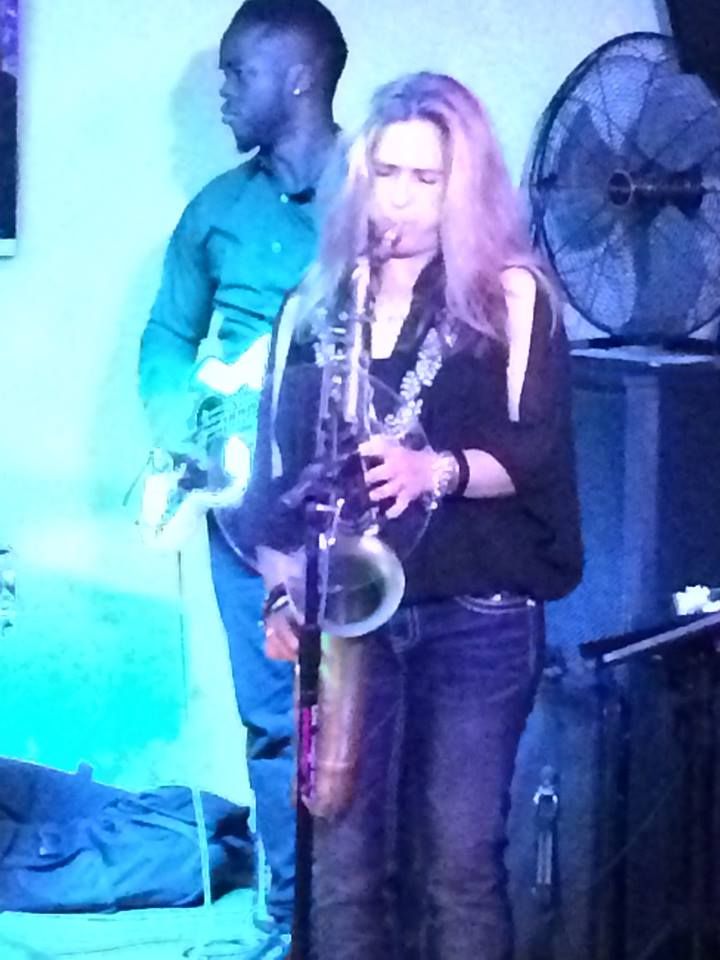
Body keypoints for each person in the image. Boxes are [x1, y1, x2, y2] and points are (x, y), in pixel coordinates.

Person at [251, 72, 584, 960]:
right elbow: (276, 487)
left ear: (464, 188)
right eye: (386, 174)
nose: (399, 199)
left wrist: (433, 469)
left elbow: (536, 456)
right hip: (349, 622)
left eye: (426, 179)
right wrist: (283, 595)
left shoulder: (513, 297)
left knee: (458, 867)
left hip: (477, 616)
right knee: (341, 866)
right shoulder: (315, 305)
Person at [137, 1, 348, 954]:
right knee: (272, 723)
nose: (222, 92)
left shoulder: (383, 191)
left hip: (360, 516)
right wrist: (190, 429)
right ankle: (290, 915)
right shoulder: (215, 211)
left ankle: (357, 918)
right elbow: (166, 337)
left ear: (298, 77)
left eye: (237, 73)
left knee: (363, 719)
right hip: (245, 515)